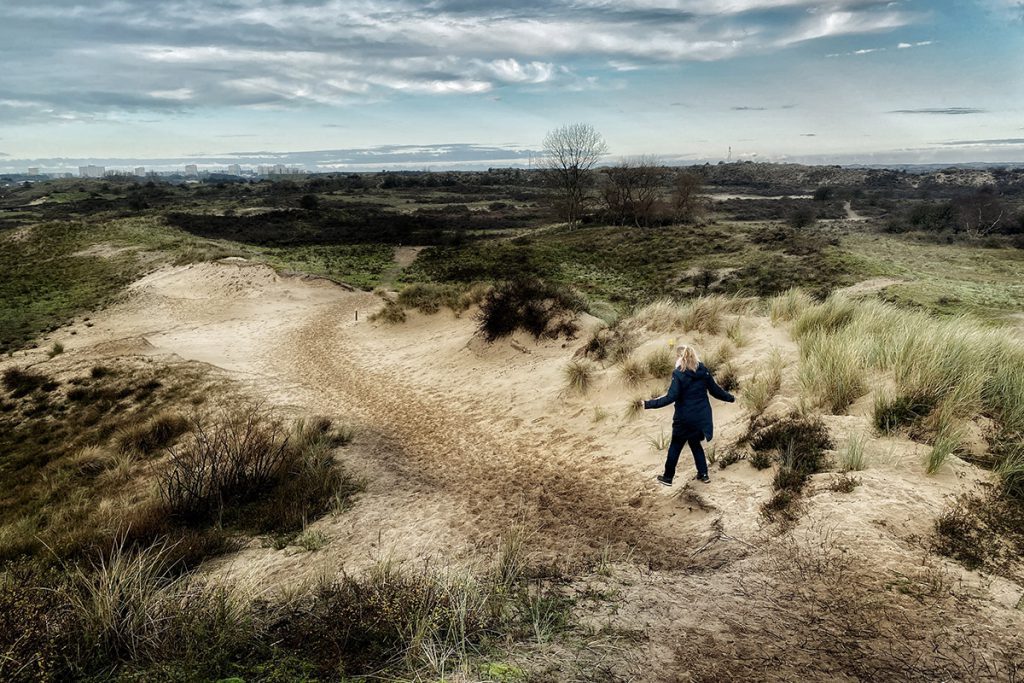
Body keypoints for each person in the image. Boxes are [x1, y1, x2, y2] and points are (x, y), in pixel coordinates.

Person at [638, 344, 735, 485]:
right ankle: (703, 474)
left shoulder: (678, 374)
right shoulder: (703, 371)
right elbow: (715, 391)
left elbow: (670, 397)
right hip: (701, 418)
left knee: (675, 446)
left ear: (679, 357)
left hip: (684, 419)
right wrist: (730, 398)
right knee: (695, 444)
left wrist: (648, 404)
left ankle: (668, 477)